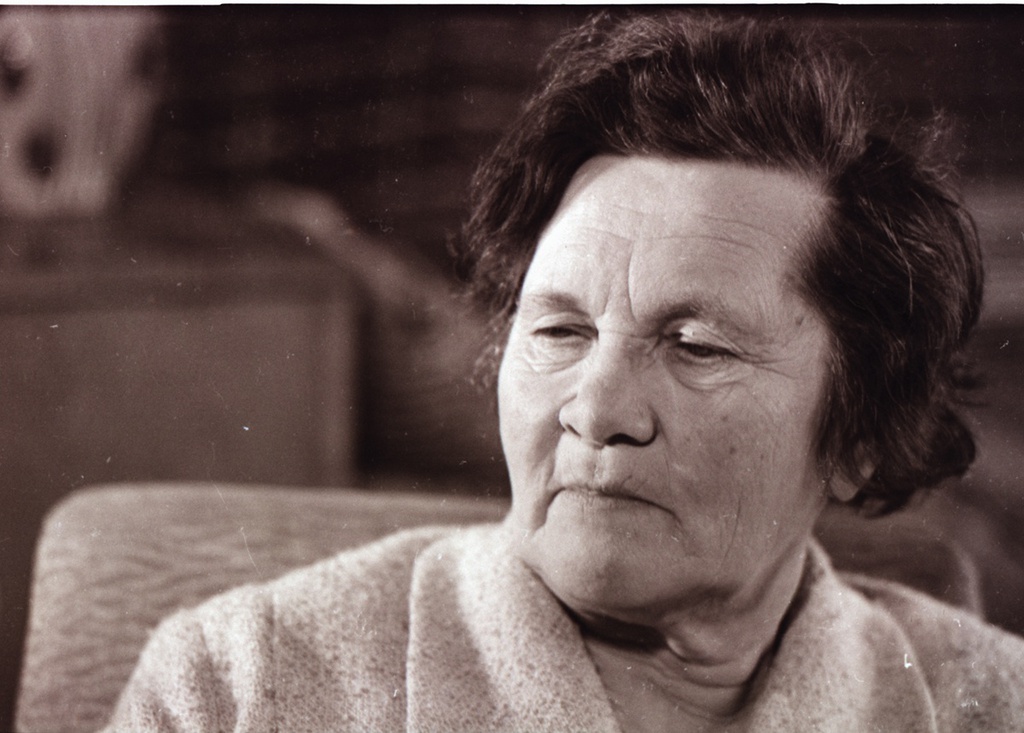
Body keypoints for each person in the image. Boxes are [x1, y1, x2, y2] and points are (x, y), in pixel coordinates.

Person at [103, 11, 1024, 732]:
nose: (597, 408)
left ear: (860, 435)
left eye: (696, 346)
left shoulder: (989, 702)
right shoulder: (241, 683)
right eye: (560, 331)